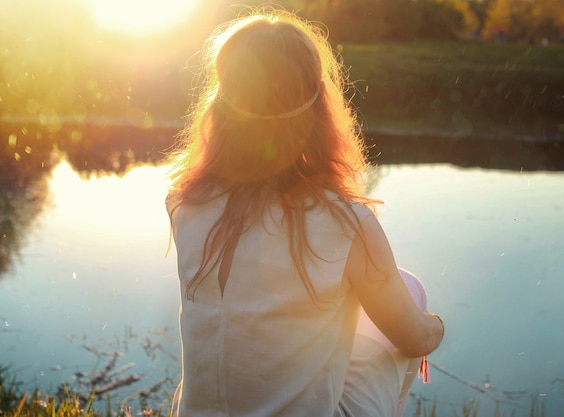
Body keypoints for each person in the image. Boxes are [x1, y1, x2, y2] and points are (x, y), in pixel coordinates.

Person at [165, 8, 444, 417]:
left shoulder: (184, 202)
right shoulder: (346, 223)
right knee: (410, 291)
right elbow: (416, 339)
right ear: (317, 109)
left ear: (221, 106)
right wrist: (435, 324)